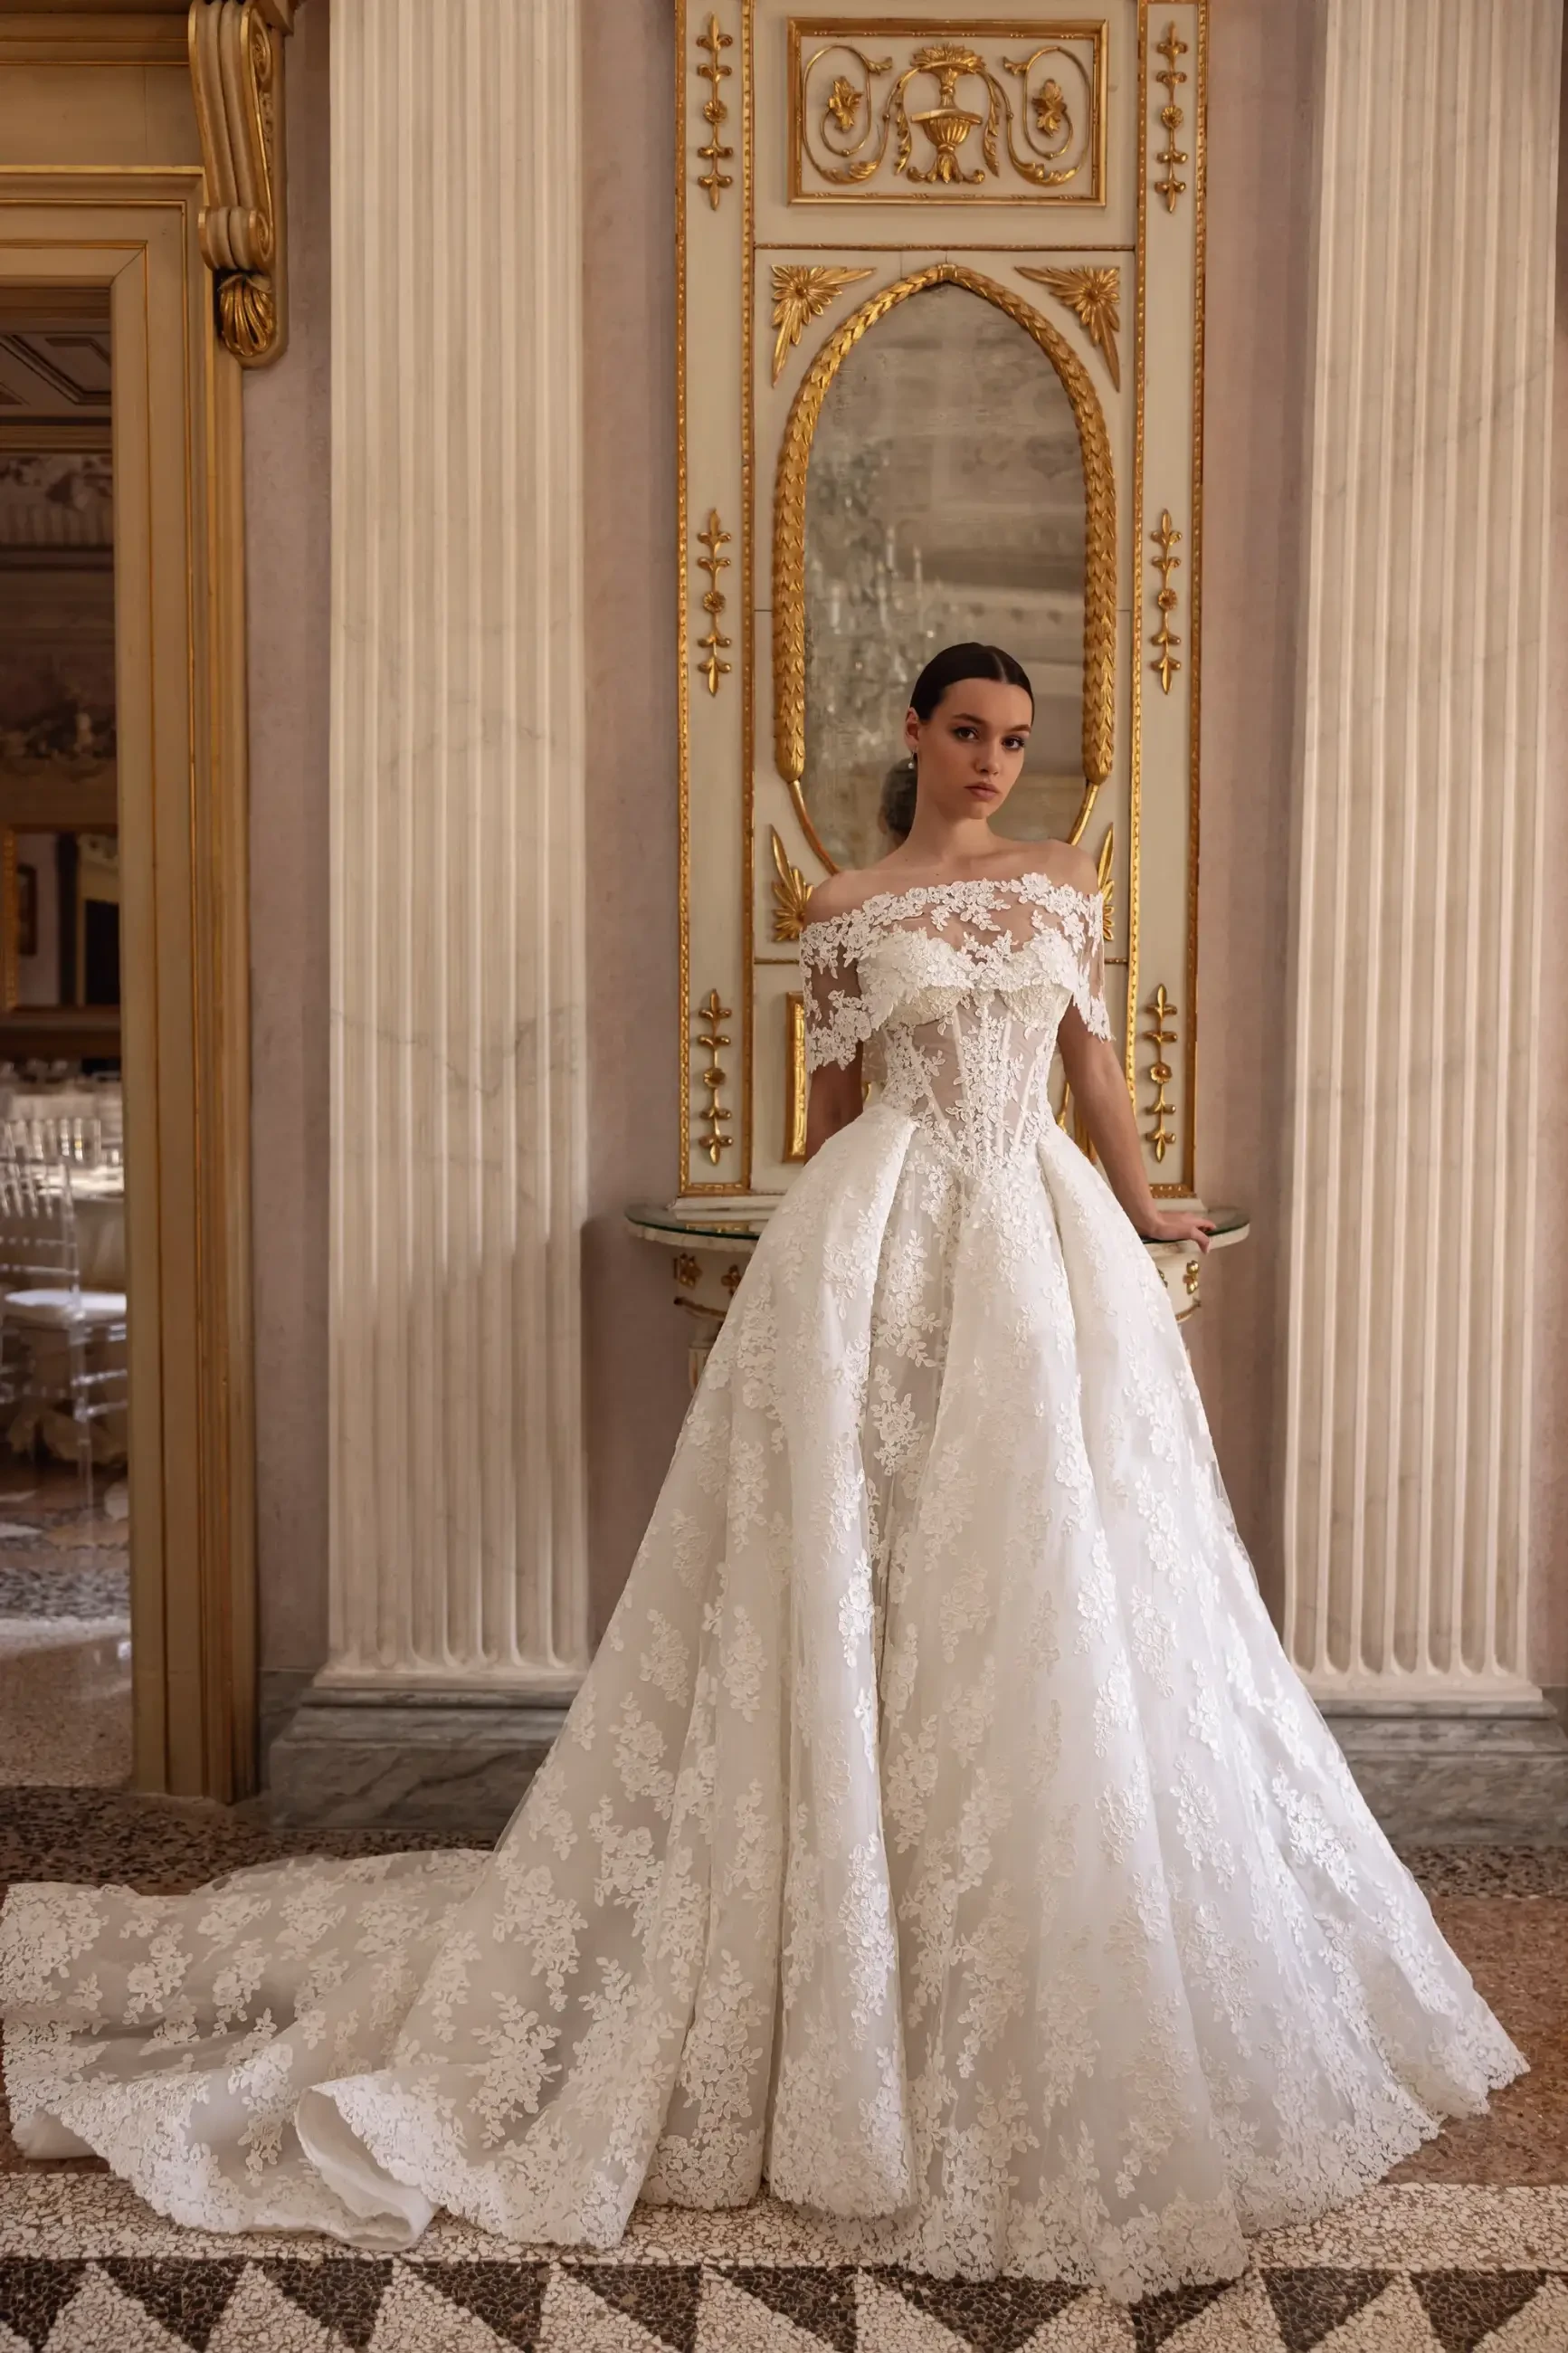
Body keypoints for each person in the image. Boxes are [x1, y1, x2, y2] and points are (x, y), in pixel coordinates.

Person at [0, 643, 1526, 2303]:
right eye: (968, 732)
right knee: (866, 1562)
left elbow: (1093, 1068)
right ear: (913, 734)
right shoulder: (844, 906)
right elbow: (828, 1113)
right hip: (884, 1245)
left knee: (1063, 1566)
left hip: (1042, 1238)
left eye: (1016, 739)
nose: (994, 761)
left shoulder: (1065, 882)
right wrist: (844, 1218)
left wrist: (1146, 1200)